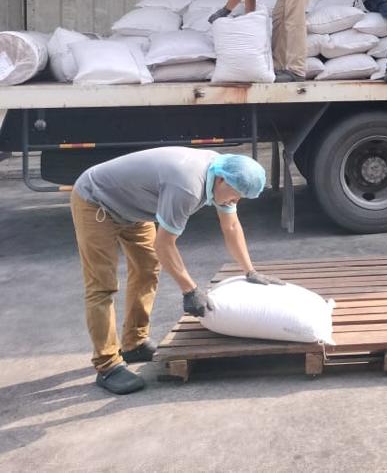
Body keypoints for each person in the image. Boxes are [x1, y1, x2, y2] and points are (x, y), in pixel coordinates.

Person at [69, 147, 283, 395]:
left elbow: (231, 227)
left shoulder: (222, 174)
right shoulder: (188, 187)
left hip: (133, 210)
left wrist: (250, 271)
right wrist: (189, 290)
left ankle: (134, 343)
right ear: (222, 180)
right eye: (235, 196)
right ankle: (107, 365)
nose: (235, 202)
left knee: (147, 270)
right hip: (97, 201)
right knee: (102, 285)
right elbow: (164, 244)